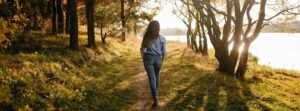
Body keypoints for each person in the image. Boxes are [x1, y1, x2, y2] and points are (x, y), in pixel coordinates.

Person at [140, 20, 166, 107]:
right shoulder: (162, 38)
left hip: (148, 59)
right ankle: (155, 95)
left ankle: (155, 97)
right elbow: (164, 52)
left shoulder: (146, 37)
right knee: (157, 75)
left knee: (152, 78)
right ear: (158, 28)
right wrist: (161, 60)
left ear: (150, 27)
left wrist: (143, 58)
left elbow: (142, 49)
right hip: (158, 59)